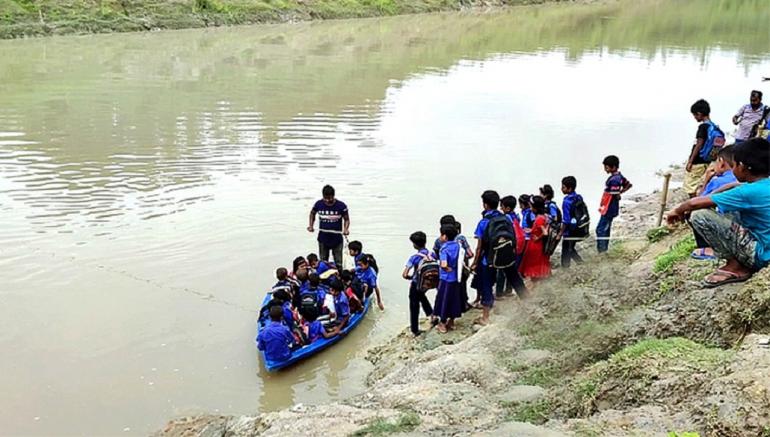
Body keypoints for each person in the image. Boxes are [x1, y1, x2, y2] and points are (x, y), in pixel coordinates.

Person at [666, 138, 770, 287]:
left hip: (762, 255)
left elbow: (693, 203)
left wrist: (676, 210)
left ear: (742, 167)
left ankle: (736, 265)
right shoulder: (763, 185)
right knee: (731, 209)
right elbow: (734, 185)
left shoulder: (747, 192)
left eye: (733, 165)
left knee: (700, 215)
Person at [691, 146, 738, 260]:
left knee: (696, 213)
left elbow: (698, 202)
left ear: (721, 162)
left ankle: (708, 247)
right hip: (746, 226)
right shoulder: (748, 177)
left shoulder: (718, 181)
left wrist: (706, 179)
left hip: (731, 228)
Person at [470, 191, 502, 325]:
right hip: (501, 257)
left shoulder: (483, 222)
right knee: (492, 282)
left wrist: (474, 263)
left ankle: (485, 317)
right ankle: (489, 309)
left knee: (486, 285)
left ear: (485, 205)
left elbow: (479, 247)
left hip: (486, 259)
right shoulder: (504, 218)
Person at [597, 155, 633, 253]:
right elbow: (628, 185)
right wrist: (621, 192)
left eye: (606, 167)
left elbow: (614, 192)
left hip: (609, 207)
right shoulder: (620, 176)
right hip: (611, 206)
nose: (605, 169)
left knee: (600, 229)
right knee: (606, 227)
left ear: (613, 167)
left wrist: (618, 194)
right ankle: (604, 249)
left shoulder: (614, 180)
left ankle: (602, 250)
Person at [308, 185, 350, 266]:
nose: (328, 200)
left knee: (338, 263)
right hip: (323, 238)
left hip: (337, 239)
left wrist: (346, 229)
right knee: (323, 262)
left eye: (330, 198)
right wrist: (311, 226)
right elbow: (312, 213)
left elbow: (346, 219)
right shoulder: (318, 204)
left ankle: (340, 276)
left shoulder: (341, 206)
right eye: (325, 198)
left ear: (333, 196)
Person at [685, 99, 720, 198]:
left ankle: (693, 205)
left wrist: (690, 161)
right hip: (707, 160)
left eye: (695, 115)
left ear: (699, 114)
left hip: (698, 161)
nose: (695, 118)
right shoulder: (713, 126)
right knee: (699, 183)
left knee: (690, 185)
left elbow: (699, 144)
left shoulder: (703, 127)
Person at [403, 231, 435, 336]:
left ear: (415, 245)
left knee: (414, 305)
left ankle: (415, 329)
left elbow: (404, 274)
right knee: (422, 296)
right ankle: (432, 315)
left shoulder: (415, 257)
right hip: (428, 282)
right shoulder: (432, 254)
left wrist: (410, 277)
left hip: (417, 283)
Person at [435, 224, 464, 333]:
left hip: (446, 278)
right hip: (456, 278)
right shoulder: (458, 246)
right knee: (454, 299)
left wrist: (446, 268)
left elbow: (443, 264)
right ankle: (451, 321)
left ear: (445, 236)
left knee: (444, 300)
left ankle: (442, 323)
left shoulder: (444, 248)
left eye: (441, 235)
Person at [497, 195, 528, 298]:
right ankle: (510, 290)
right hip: (518, 244)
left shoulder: (506, 218)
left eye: (502, 206)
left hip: (508, 245)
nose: (501, 208)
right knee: (512, 269)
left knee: (502, 270)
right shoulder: (516, 216)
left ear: (508, 208)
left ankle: (499, 292)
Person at [519, 196, 552, 281]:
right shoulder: (545, 216)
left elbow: (545, 233)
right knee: (540, 267)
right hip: (539, 245)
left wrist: (537, 237)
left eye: (531, 206)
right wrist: (533, 230)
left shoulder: (539, 218)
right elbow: (547, 227)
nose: (530, 208)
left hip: (535, 245)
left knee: (534, 267)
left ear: (535, 207)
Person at [560, 176, 585, 268]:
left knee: (566, 249)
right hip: (578, 227)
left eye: (563, 187)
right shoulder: (578, 197)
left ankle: (565, 267)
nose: (561, 189)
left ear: (569, 188)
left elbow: (566, 220)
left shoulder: (566, 201)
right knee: (570, 247)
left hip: (569, 230)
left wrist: (560, 233)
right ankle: (580, 262)